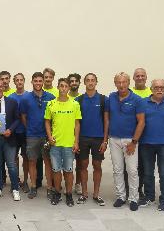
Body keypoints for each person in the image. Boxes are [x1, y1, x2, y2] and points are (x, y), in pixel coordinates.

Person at [107, 72, 145, 211]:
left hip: (130, 140)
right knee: (117, 170)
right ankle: (121, 196)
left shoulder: (137, 99)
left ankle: (133, 198)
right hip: (114, 139)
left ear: (129, 83)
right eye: (118, 82)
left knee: (132, 170)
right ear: (115, 83)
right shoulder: (111, 97)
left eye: (124, 82)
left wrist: (134, 142)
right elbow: (108, 118)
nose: (121, 85)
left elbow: (141, 122)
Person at [139, 79, 164, 211]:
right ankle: (149, 196)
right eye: (156, 87)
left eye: (162, 87)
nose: (159, 89)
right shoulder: (143, 103)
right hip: (146, 143)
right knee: (148, 172)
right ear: (151, 89)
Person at [45, 78, 81, 206]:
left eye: (66, 86)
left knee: (68, 170)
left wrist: (76, 142)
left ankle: (69, 194)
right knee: (56, 170)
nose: (63, 88)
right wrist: (49, 137)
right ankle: (57, 193)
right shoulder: (51, 104)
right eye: (61, 86)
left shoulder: (75, 104)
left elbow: (77, 124)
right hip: (55, 144)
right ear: (58, 87)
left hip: (69, 144)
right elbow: (47, 121)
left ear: (68, 88)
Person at [20, 72, 55, 199]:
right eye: (36, 81)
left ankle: (50, 188)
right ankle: (33, 187)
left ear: (43, 82)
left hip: (47, 136)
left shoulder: (51, 97)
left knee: (48, 162)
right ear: (32, 82)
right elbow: (23, 116)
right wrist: (29, 127)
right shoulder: (26, 98)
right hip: (32, 136)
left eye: (40, 81)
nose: (38, 83)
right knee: (32, 161)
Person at [74, 73, 108, 206]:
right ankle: (84, 193)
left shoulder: (103, 99)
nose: (90, 82)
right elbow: (76, 122)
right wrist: (76, 140)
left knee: (97, 165)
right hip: (83, 138)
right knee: (82, 165)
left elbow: (106, 121)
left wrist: (105, 140)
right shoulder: (79, 100)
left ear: (96, 82)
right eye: (88, 80)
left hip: (98, 138)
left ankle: (96, 194)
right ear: (84, 83)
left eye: (92, 80)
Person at [8, 73, 30, 193]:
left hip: (26, 133)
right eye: (17, 80)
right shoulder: (11, 98)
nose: (19, 82)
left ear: (24, 81)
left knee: (26, 158)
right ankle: (15, 181)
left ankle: (25, 181)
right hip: (14, 133)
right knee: (13, 158)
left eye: (21, 80)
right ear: (14, 82)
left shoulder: (29, 96)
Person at [132, 68, 152, 199]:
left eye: (142, 76)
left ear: (146, 78)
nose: (140, 78)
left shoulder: (152, 92)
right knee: (131, 167)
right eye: (137, 76)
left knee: (145, 166)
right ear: (133, 78)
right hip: (131, 135)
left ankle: (142, 190)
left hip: (147, 136)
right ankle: (131, 190)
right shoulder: (130, 93)